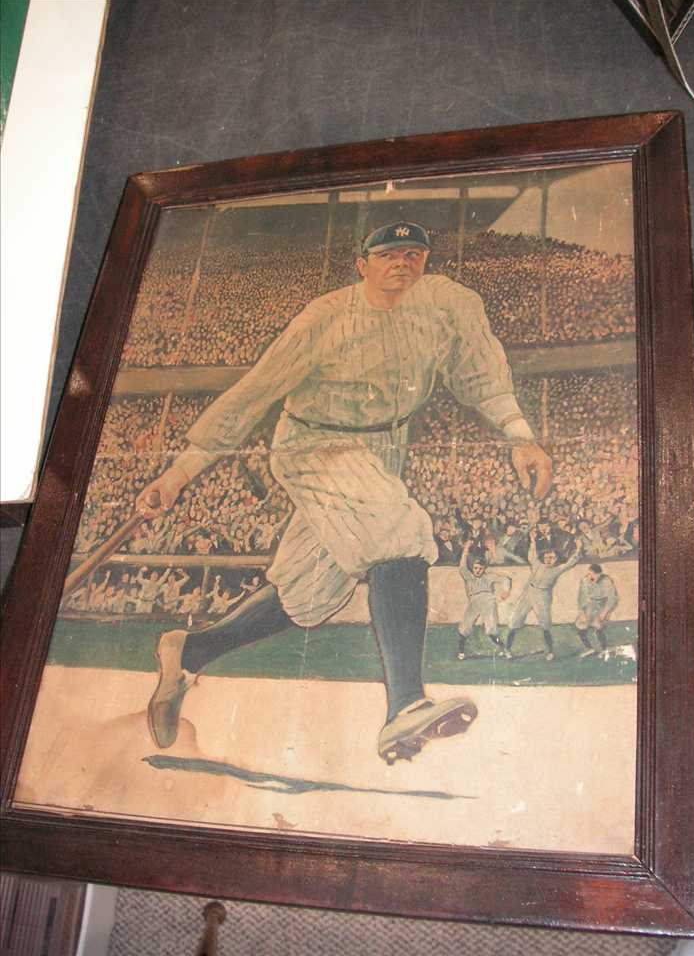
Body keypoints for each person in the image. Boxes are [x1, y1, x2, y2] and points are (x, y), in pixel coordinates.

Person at [136, 221, 552, 764]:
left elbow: (482, 377)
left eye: (413, 254)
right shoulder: (326, 318)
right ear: (362, 265)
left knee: (308, 595)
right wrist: (179, 473)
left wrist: (521, 437)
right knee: (399, 535)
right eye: (388, 255)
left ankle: (189, 649)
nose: (402, 263)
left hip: (383, 448)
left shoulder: (450, 304)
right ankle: (405, 707)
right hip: (315, 445)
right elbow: (253, 393)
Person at [505, 529, 581, 660]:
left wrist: (578, 548)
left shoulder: (557, 569)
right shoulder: (536, 563)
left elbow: (571, 562)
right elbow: (532, 553)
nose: (548, 560)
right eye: (546, 557)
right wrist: (533, 540)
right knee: (514, 621)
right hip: (528, 592)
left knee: (545, 624)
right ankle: (507, 649)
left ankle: (550, 651)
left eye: (551, 557)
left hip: (543, 596)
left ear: (556, 558)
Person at [456, 541, 512, 660]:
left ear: (484, 569)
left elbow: (506, 579)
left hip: (488, 600)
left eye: (480, 569)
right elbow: (462, 566)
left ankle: (504, 649)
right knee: (465, 627)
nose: (477, 570)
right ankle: (461, 652)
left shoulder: (488, 576)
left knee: (491, 630)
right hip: (474, 601)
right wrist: (466, 548)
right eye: (475, 568)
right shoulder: (469, 576)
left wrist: (506, 591)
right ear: (473, 568)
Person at [575, 563, 619, 656]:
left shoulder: (606, 581)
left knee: (599, 626)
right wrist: (581, 612)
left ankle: (604, 649)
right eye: (589, 574)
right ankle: (589, 648)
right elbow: (581, 597)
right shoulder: (585, 580)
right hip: (589, 605)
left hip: (602, 605)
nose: (590, 576)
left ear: (599, 574)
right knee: (581, 626)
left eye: (593, 574)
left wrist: (604, 612)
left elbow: (612, 598)